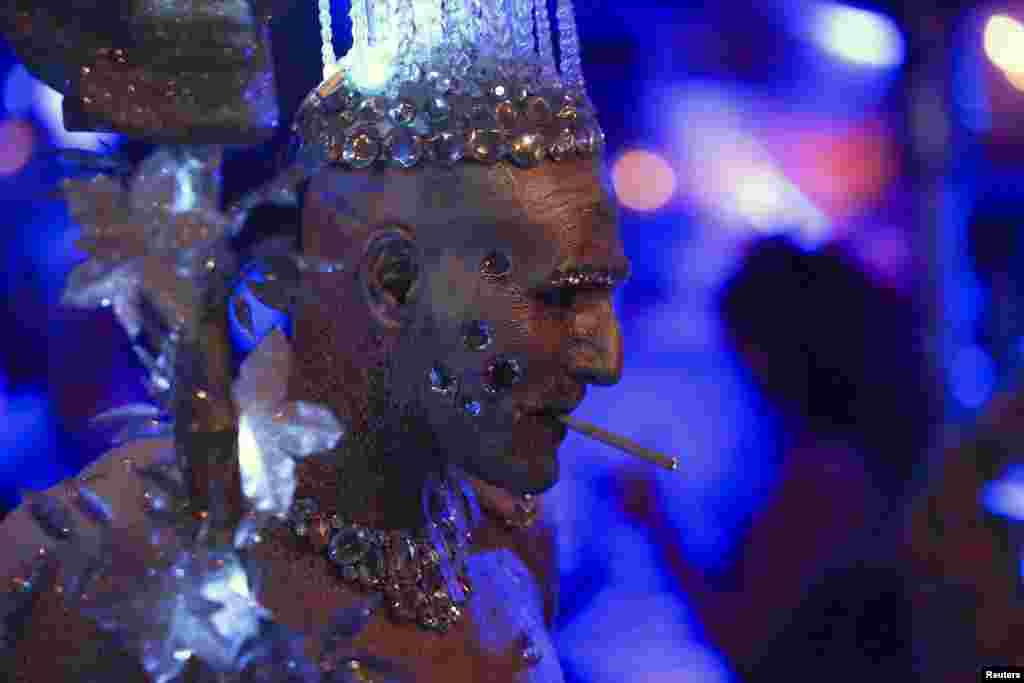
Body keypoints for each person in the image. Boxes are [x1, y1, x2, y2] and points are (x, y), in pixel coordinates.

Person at [0, 1, 630, 681]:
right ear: (393, 285)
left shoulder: (510, 539)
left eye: (604, 292)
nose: (606, 357)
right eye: (559, 296)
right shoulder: (106, 555)